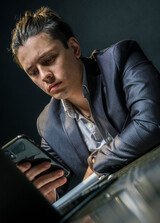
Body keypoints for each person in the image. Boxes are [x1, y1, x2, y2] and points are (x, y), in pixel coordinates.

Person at [10, 6, 160, 204]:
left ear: (74, 48)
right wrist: (46, 196)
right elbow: (58, 188)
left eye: (48, 60)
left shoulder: (121, 59)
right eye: (33, 72)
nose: (44, 75)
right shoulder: (48, 124)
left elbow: (151, 124)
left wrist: (96, 162)